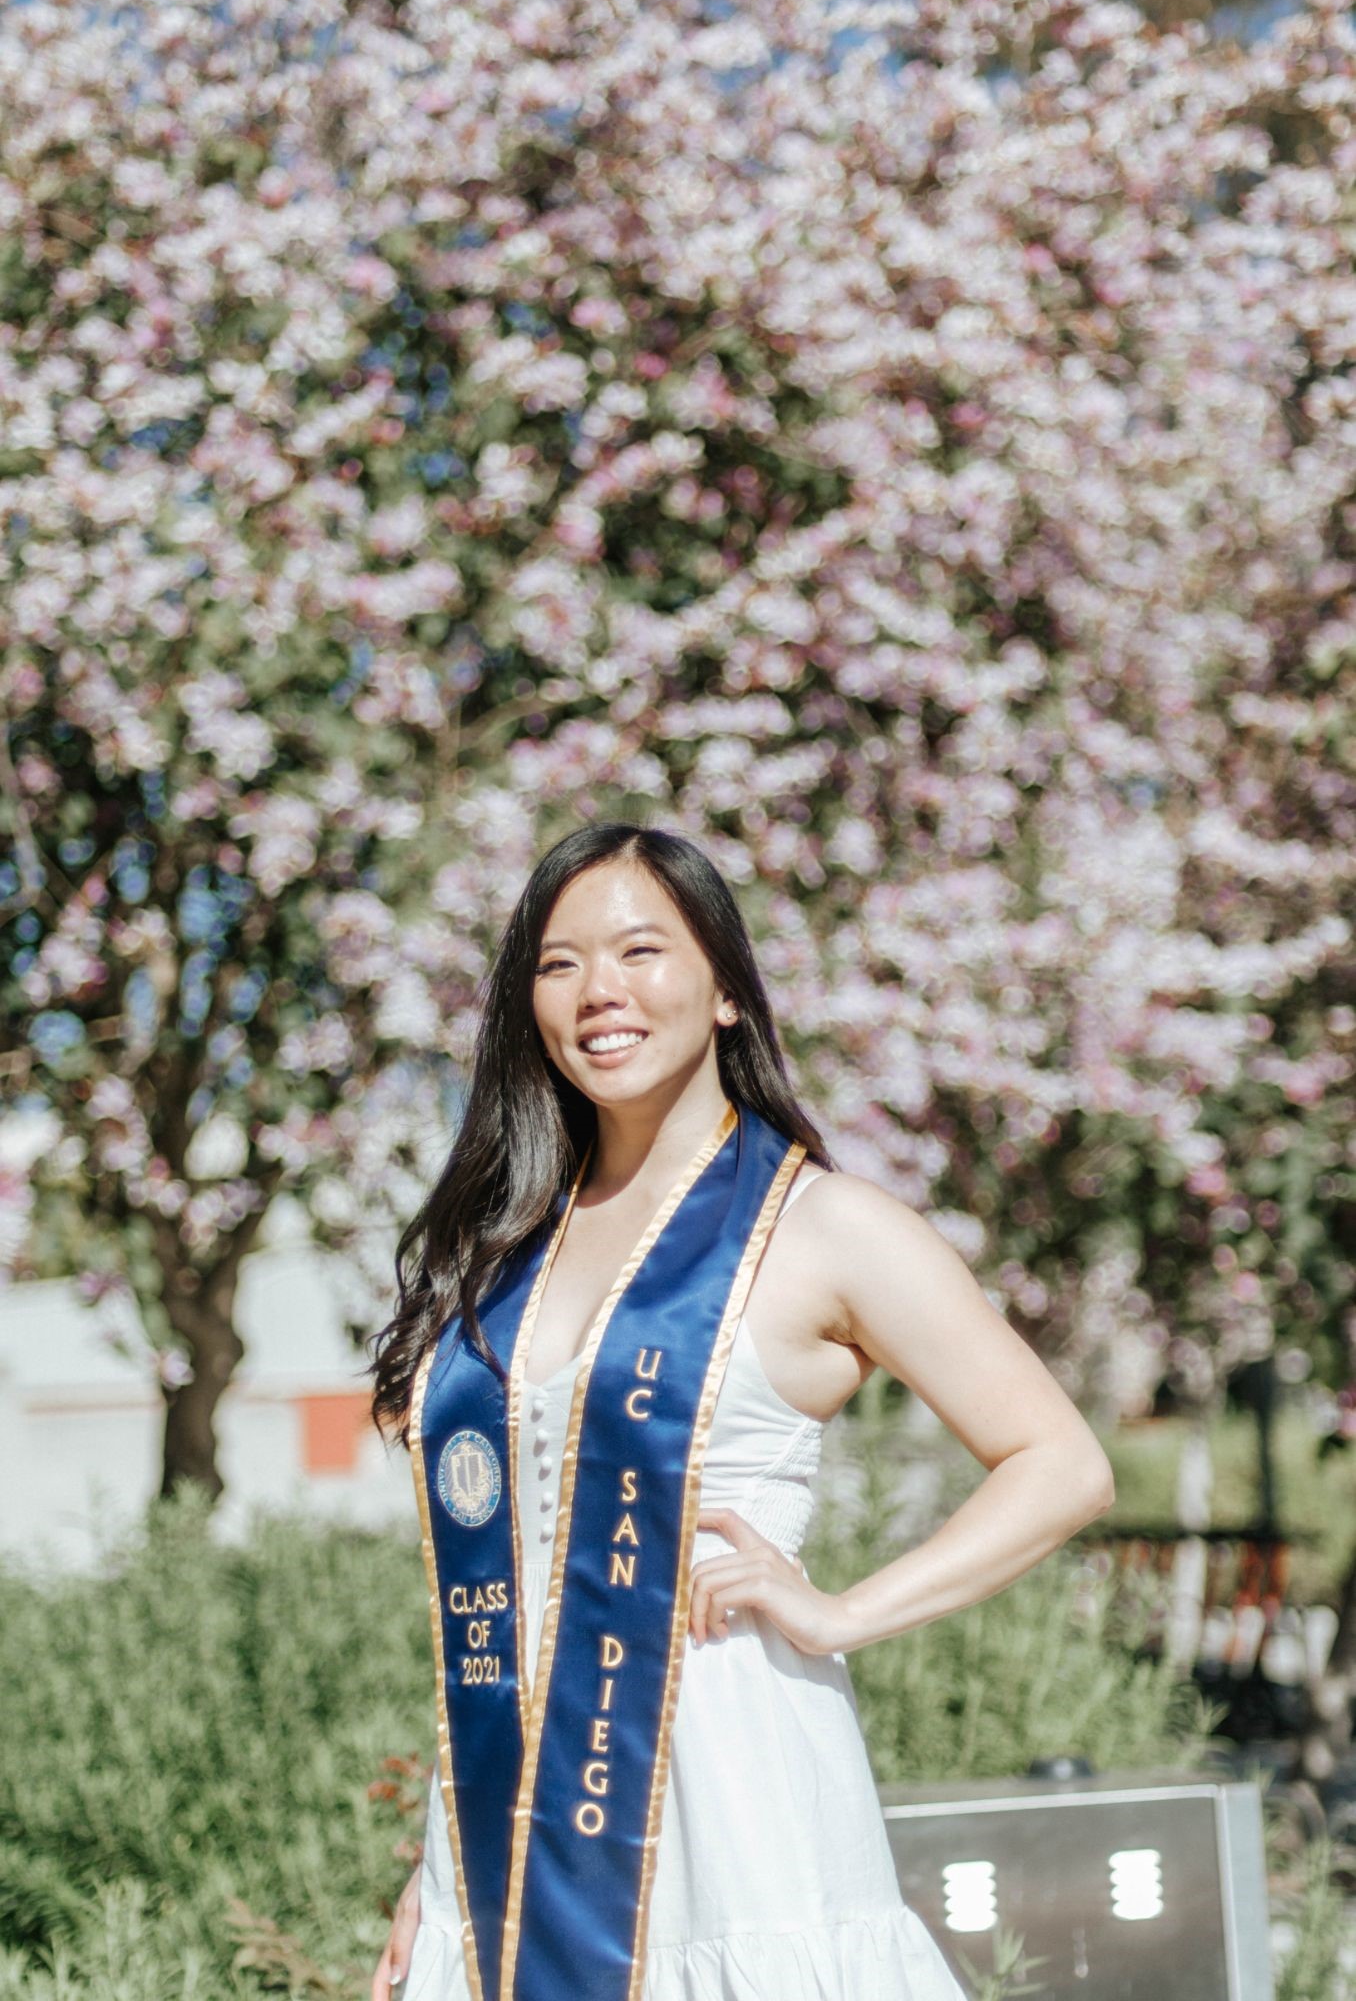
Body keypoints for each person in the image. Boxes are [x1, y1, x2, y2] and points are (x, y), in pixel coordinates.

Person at [367, 821, 1115, 2001]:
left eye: (639, 950)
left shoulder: (826, 1226)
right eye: (557, 964)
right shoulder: (507, 1247)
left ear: (723, 985)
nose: (597, 991)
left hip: (733, 1798)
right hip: (508, 1837)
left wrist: (840, 1614)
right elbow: (505, 1583)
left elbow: (1060, 1463)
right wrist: (443, 1863)